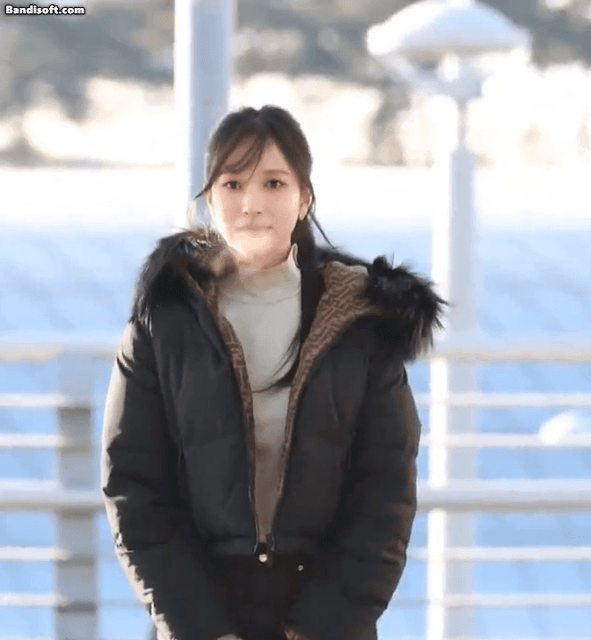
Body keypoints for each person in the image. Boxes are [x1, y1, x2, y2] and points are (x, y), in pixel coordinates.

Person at [100, 105, 447, 640]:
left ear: (304, 198)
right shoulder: (164, 322)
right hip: (200, 618)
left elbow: (385, 495)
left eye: (274, 183)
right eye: (233, 183)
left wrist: (322, 627)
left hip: (326, 621)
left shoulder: (360, 323)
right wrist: (200, 628)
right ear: (209, 197)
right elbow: (134, 488)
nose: (252, 203)